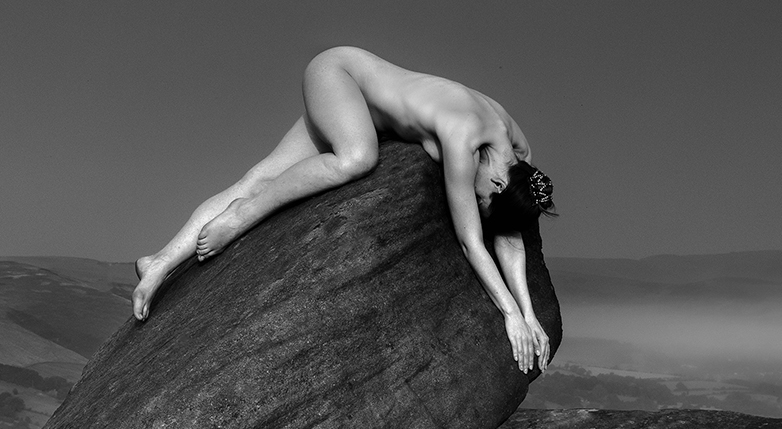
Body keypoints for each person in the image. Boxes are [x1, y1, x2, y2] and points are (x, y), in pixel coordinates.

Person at [131, 46, 556, 373]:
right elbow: (470, 240)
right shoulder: (464, 137)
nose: (474, 203)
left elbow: (508, 234)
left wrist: (530, 315)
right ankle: (244, 215)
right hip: (339, 75)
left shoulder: (518, 158)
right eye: (482, 201)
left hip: (360, 110)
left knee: (258, 176)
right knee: (357, 158)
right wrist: (509, 315)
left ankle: (159, 262)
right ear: (498, 183)